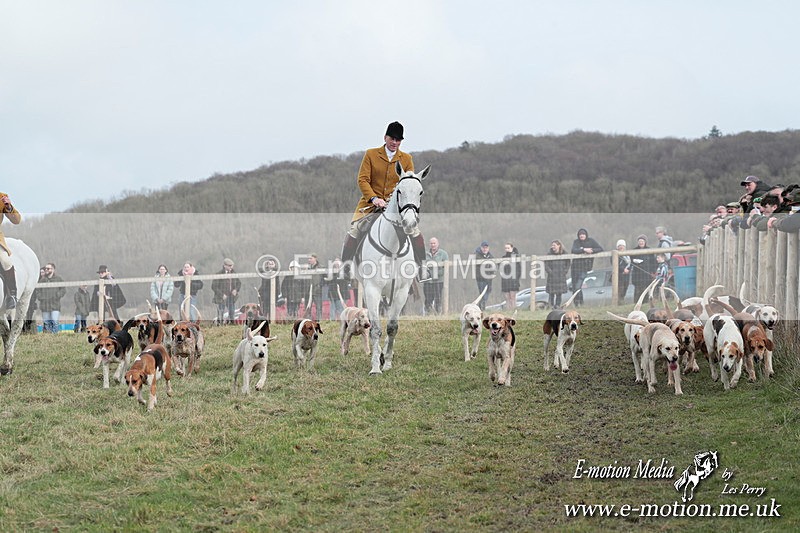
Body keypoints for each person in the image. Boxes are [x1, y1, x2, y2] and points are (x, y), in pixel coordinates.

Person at [339, 121, 429, 281]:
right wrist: (374, 198)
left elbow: (408, 184)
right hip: (369, 205)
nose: (395, 143)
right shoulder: (371, 154)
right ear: (385, 138)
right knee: (355, 229)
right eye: (392, 139)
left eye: (398, 140)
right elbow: (362, 180)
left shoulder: (407, 158)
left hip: (396, 206)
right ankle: (345, 268)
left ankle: (422, 268)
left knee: (414, 231)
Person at [570, 228, 603, 307]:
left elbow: (600, 249)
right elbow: (574, 250)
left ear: (586, 235)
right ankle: (578, 303)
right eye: (580, 234)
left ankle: (580, 303)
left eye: (583, 234)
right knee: (575, 286)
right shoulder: (576, 242)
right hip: (575, 268)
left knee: (578, 286)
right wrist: (584, 250)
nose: (582, 235)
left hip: (584, 268)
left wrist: (591, 250)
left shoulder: (591, 241)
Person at [0, 192, 21, 308]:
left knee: (5, 261)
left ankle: (12, 294)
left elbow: (16, 220)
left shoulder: (1, 197)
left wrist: (8, 207)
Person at [37, 263, 66, 333]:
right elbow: (37, 291)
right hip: (45, 305)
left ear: (52, 269)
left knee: (54, 321)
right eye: (45, 268)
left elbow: (63, 290)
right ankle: (48, 338)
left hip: (55, 305)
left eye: (48, 268)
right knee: (46, 323)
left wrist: (57, 295)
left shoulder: (59, 279)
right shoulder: (42, 280)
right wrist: (41, 297)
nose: (46, 270)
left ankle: (55, 337)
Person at [211, 258, 241, 325]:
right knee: (221, 312)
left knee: (232, 312)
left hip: (231, 297)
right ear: (225, 265)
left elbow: (239, 283)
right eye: (229, 265)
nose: (231, 267)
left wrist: (236, 290)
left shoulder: (234, 273)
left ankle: (232, 325)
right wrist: (222, 295)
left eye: (232, 265)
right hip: (221, 298)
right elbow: (214, 286)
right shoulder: (219, 274)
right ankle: (220, 326)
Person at [424, 237, 448, 314]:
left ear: (438, 244)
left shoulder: (443, 254)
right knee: (428, 298)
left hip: (438, 280)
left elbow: (446, 266)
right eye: (431, 243)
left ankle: (438, 313)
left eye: (434, 243)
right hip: (428, 281)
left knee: (438, 298)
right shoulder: (425, 254)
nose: (433, 245)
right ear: (429, 244)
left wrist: (439, 272)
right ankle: (428, 313)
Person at [630, 235, 656, 302]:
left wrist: (653, 271)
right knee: (637, 291)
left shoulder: (649, 250)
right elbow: (631, 261)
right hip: (637, 275)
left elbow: (653, 262)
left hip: (647, 274)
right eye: (639, 241)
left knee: (646, 290)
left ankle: (646, 302)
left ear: (645, 242)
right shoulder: (634, 250)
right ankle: (636, 303)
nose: (641, 242)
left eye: (642, 241)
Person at [545, 240, 570, 308]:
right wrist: (551, 272)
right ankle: (551, 306)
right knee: (551, 293)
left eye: (554, 245)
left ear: (559, 245)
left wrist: (564, 271)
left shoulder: (565, 254)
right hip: (552, 277)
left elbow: (568, 263)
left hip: (561, 276)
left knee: (559, 293)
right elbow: (546, 265)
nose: (553, 247)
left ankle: (557, 306)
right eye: (552, 245)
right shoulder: (549, 254)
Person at [500, 242, 522, 311]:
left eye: (508, 248)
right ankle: (508, 310)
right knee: (507, 296)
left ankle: (513, 309)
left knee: (512, 296)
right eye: (506, 248)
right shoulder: (503, 258)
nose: (507, 249)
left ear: (512, 248)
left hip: (513, 279)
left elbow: (519, 269)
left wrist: (516, 278)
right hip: (505, 279)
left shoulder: (516, 257)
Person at [474, 240, 494, 310]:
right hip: (481, 278)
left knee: (488, 292)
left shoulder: (490, 255)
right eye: (484, 247)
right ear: (481, 248)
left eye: (486, 247)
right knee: (482, 294)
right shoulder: (477, 255)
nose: (485, 249)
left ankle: (482, 308)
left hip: (489, 279)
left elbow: (493, 264)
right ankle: (481, 308)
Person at [615, 239, 631, 304]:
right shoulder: (616, 255)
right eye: (620, 245)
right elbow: (615, 264)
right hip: (619, 275)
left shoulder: (628, 255)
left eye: (623, 245)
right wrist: (623, 269)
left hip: (627, 275)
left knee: (625, 289)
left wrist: (628, 270)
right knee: (620, 290)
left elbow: (630, 264)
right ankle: (619, 302)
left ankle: (622, 300)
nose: (621, 247)